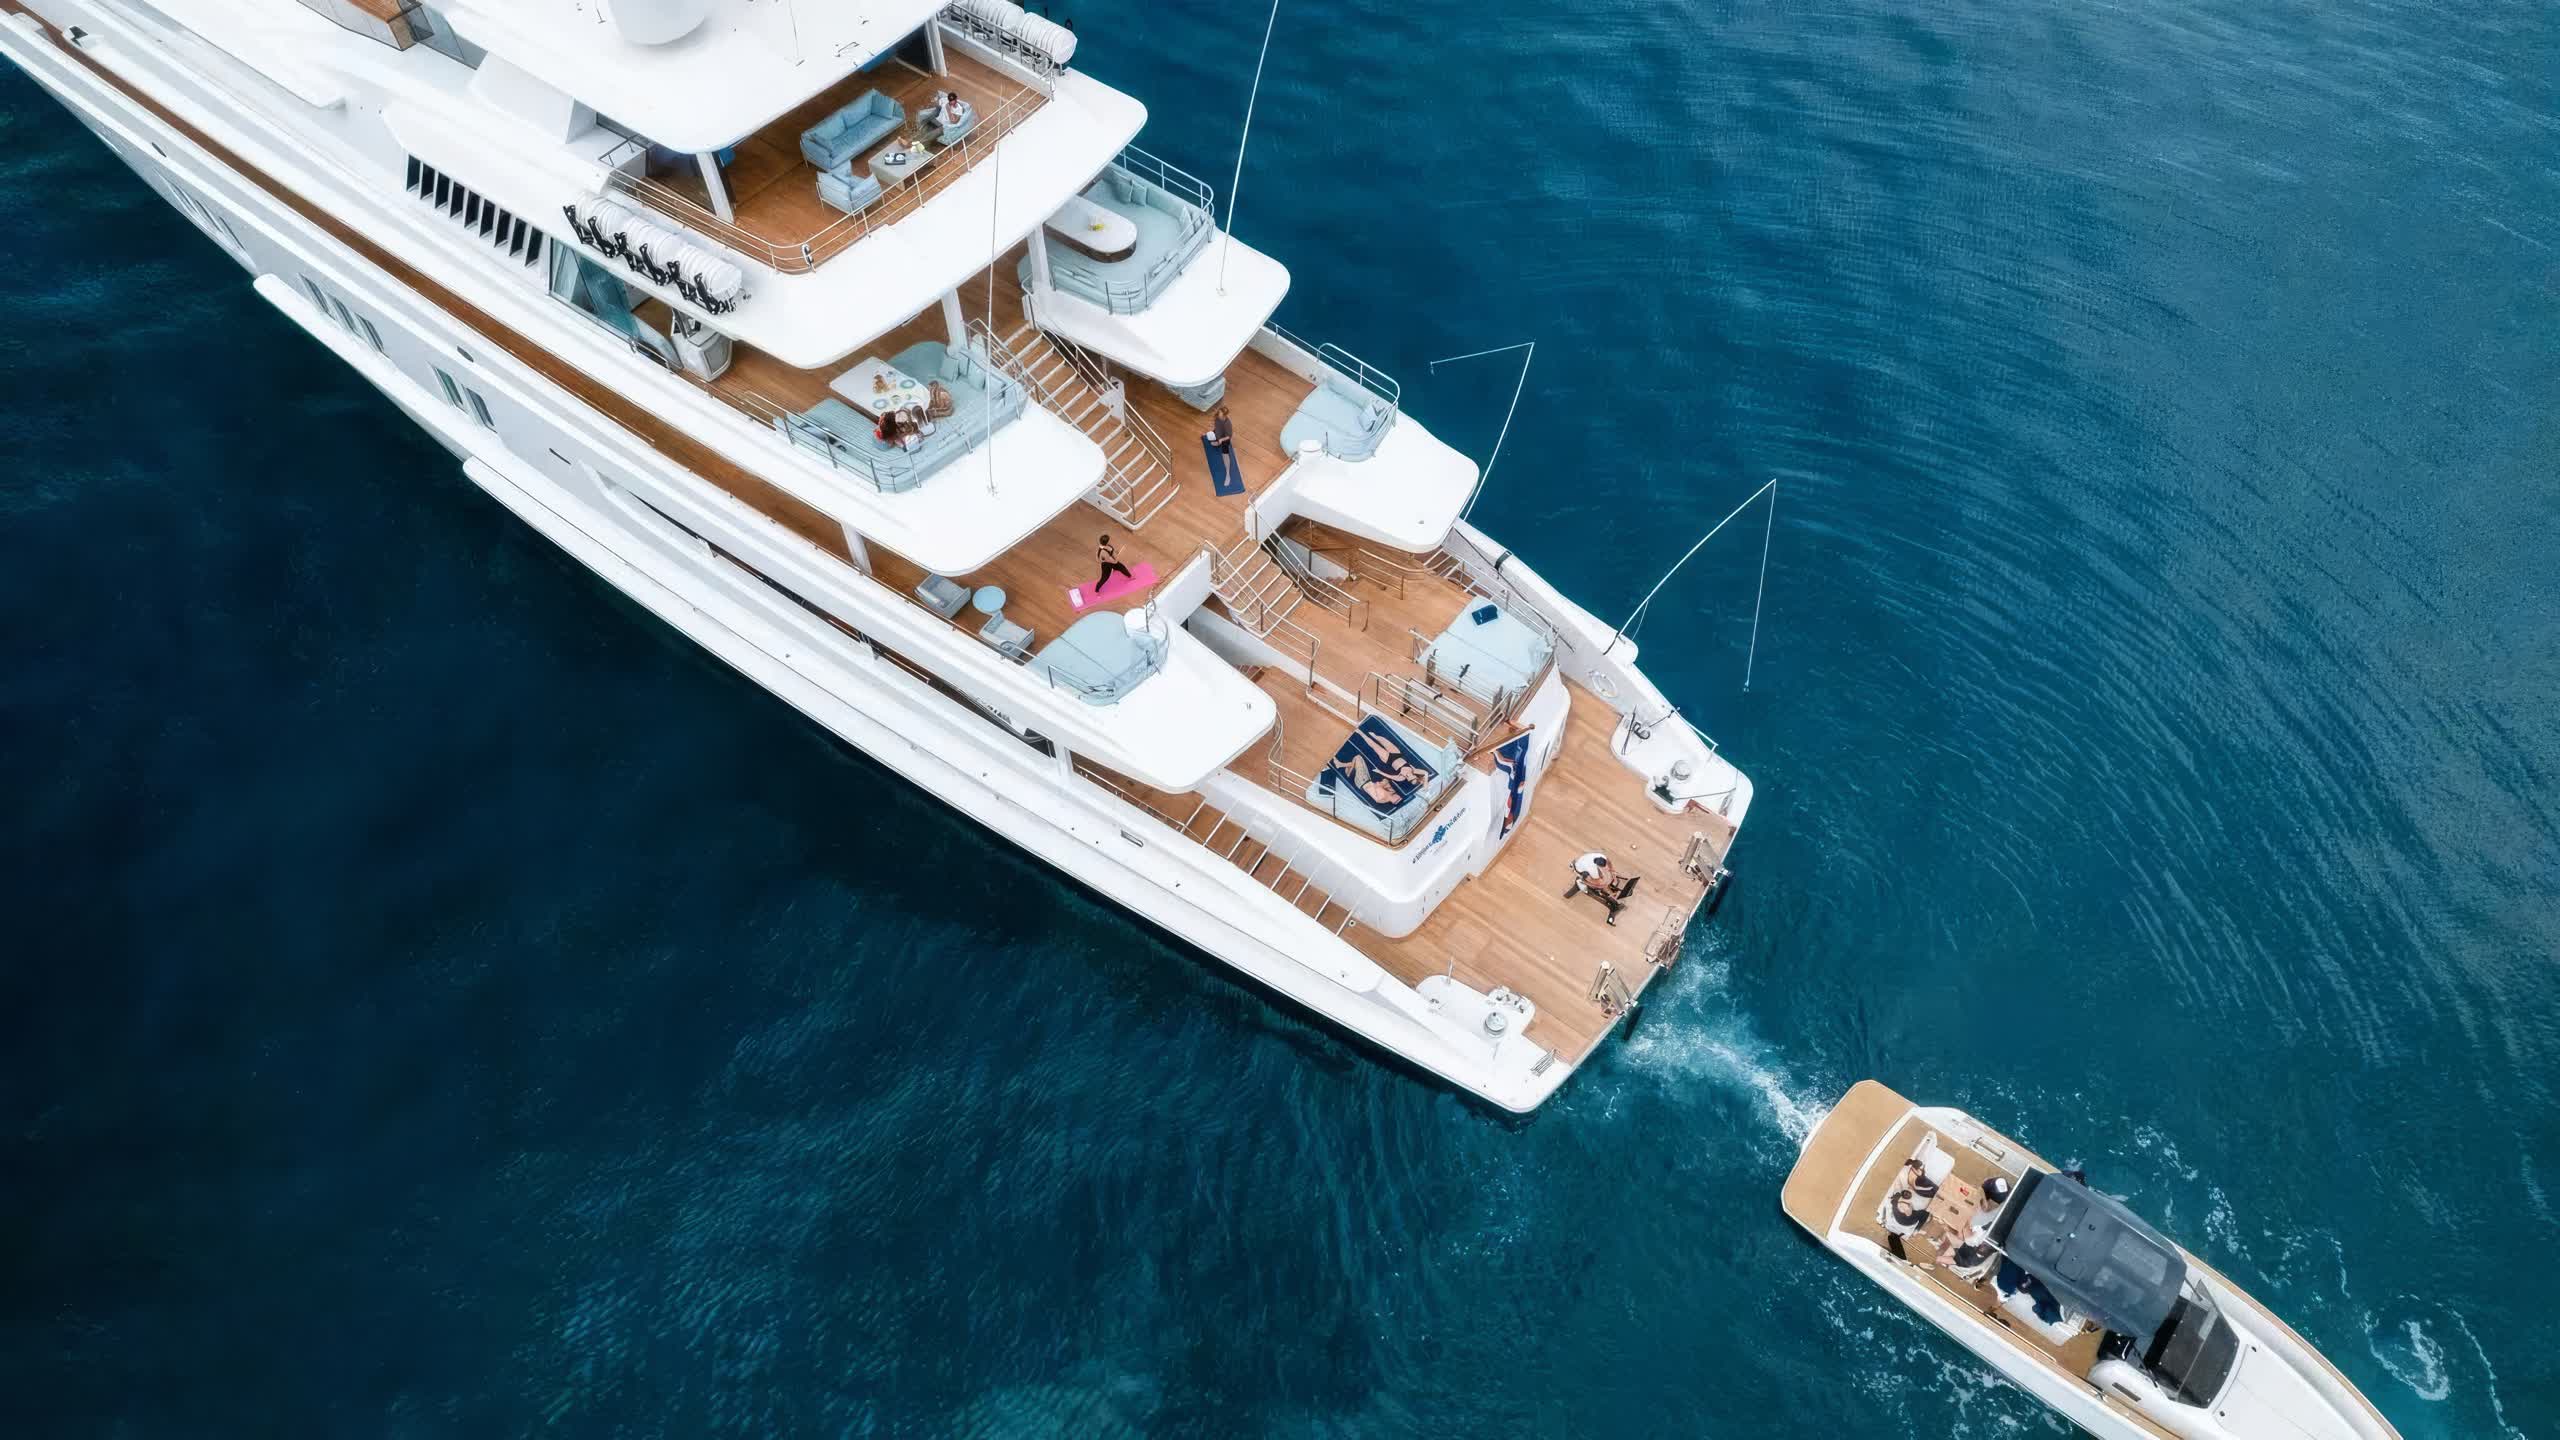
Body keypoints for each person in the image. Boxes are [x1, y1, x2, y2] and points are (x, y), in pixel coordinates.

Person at [1568, 851, 1640, 926]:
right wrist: (1609, 890)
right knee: (1599, 886)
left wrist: (1612, 871)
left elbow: (1609, 862)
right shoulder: (1592, 870)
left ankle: (1611, 890)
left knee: (1606, 877)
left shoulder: (1601, 856)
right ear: (1597, 865)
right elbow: (1599, 883)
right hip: (1582, 873)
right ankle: (1583, 882)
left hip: (1582, 863)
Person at [1879, 1185, 1930, 1261]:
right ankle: (1916, 1230)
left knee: (1894, 1239)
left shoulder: (1896, 1199)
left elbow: (1893, 1202)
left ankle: (1898, 1256)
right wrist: (1909, 1207)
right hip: (1905, 1221)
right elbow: (1909, 1214)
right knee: (1924, 1214)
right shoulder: (1903, 1204)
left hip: (1900, 1219)